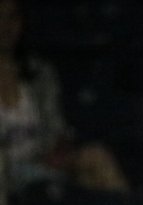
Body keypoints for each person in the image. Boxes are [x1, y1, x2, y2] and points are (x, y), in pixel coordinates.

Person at [0, 0, 127, 194]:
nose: (5, 26)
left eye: (12, 17)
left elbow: (57, 129)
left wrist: (59, 150)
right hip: (6, 171)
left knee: (97, 158)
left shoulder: (40, 73)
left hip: (41, 161)